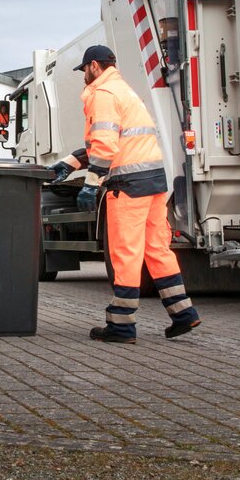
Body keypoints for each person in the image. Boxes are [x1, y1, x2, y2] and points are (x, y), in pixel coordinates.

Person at [48, 44, 201, 344]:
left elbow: (105, 146)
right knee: (156, 249)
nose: (84, 76)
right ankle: (183, 313)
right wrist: (70, 163)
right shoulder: (125, 91)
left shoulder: (103, 95)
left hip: (128, 187)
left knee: (125, 253)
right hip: (154, 183)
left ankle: (121, 325)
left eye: (84, 70)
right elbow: (111, 142)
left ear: (94, 66)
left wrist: (91, 185)